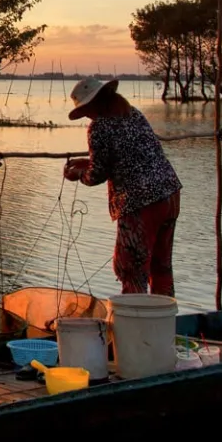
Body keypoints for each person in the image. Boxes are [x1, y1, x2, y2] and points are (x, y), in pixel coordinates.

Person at [62, 78, 183, 296]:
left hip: (140, 201)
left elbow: (96, 175)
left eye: (86, 110)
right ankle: (163, 323)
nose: (87, 116)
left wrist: (78, 174)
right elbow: (128, 157)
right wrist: (87, 163)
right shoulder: (132, 114)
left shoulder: (99, 126)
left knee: (131, 269)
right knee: (161, 265)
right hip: (169, 192)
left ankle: (135, 324)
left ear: (93, 105)